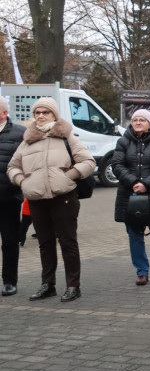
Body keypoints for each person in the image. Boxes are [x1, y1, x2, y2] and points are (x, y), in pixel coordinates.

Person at [7, 98, 95, 303]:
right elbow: (12, 166)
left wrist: (69, 176)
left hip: (63, 198)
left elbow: (88, 161)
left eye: (45, 112)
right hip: (37, 199)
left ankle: (73, 285)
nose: (40, 116)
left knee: (68, 242)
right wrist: (23, 182)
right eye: (37, 112)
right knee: (45, 244)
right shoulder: (27, 140)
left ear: (54, 115)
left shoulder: (66, 136)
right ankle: (48, 284)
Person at [111, 109, 150, 285]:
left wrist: (146, 183)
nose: (138, 122)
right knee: (134, 236)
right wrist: (134, 182)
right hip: (130, 195)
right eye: (135, 119)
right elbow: (117, 164)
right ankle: (142, 271)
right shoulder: (123, 141)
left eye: (142, 120)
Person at [0, 96, 26, 296]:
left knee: (9, 241)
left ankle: (9, 281)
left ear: (4, 113)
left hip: (8, 198)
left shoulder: (20, 133)